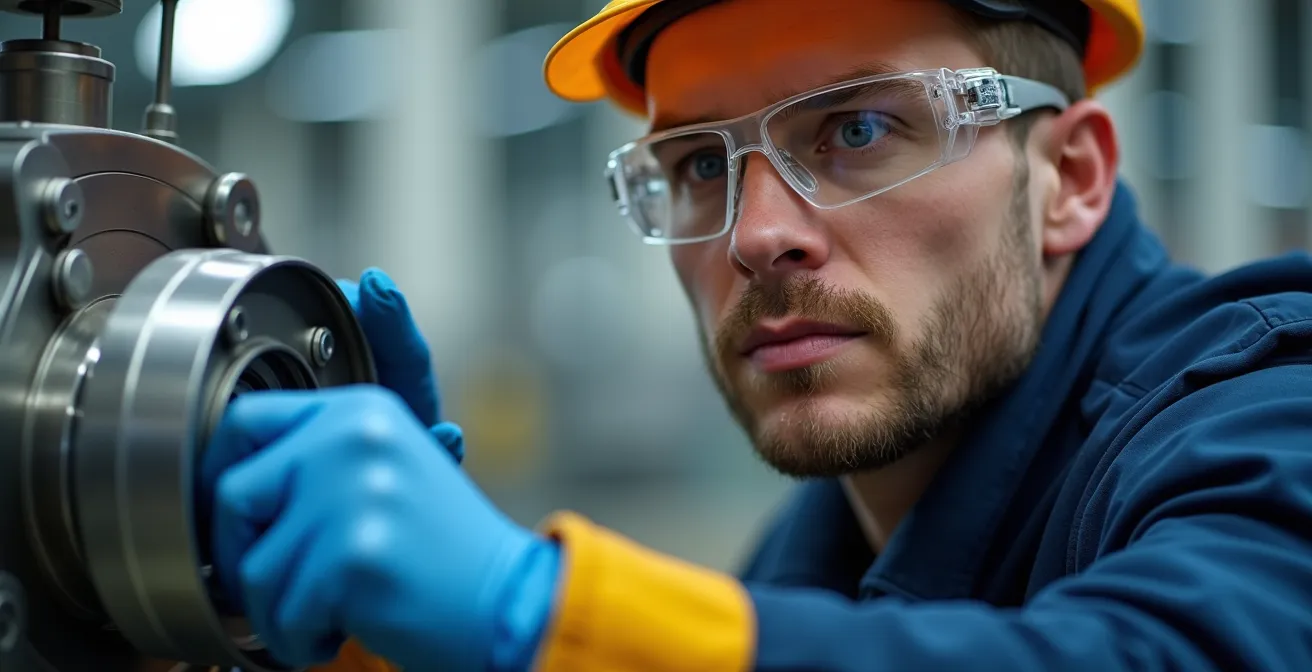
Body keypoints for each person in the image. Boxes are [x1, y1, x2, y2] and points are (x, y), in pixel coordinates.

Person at [201, 0, 1312, 669]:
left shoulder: (1263, 405)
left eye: (859, 128)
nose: (756, 235)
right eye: (696, 166)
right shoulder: (819, 553)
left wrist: (530, 617)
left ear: (1067, 179)